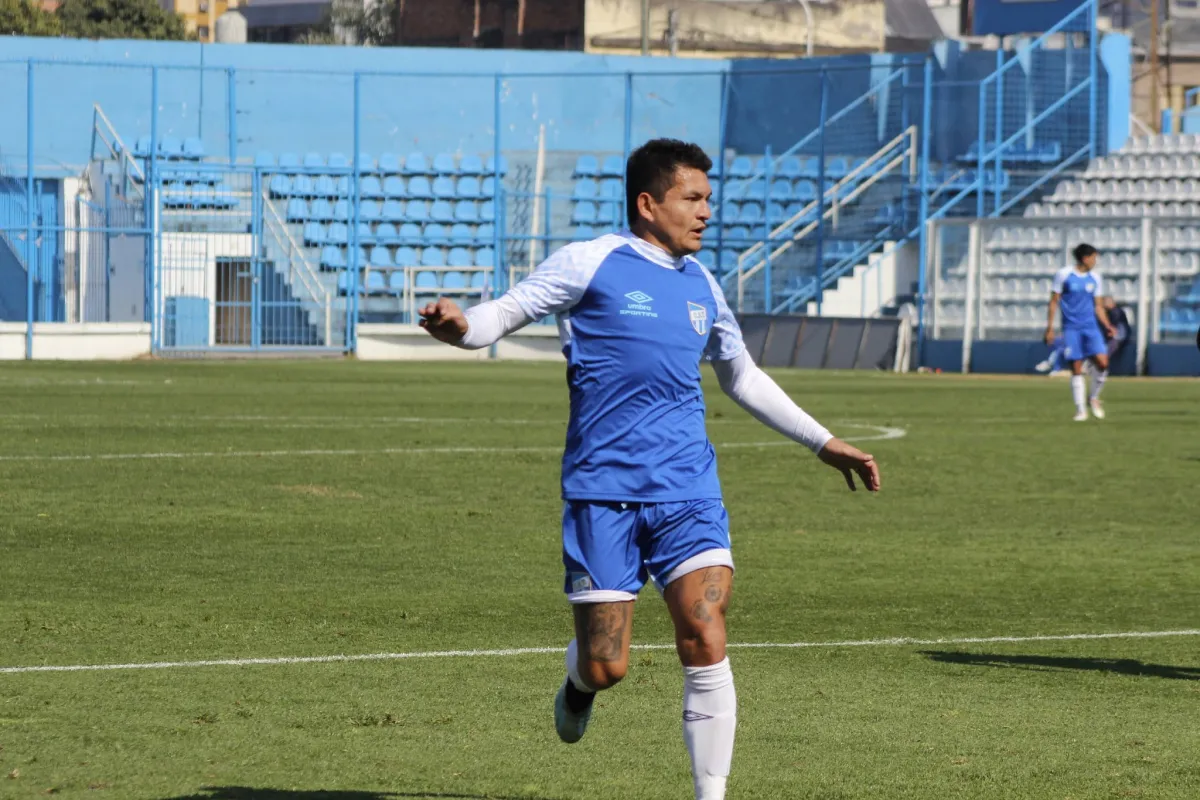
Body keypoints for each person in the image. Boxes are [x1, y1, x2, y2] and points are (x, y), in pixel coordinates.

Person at [418, 138, 880, 800]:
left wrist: (822, 441)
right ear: (647, 203)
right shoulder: (591, 262)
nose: (705, 213)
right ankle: (581, 685)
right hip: (603, 493)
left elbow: (740, 375)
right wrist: (461, 325)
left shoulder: (703, 285)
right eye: (691, 199)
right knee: (608, 665)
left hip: (687, 489)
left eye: (708, 199)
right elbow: (505, 313)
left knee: (704, 630)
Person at [1044, 243, 1116, 421]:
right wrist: (1050, 328)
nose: (1095, 261)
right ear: (1085, 258)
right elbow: (1054, 301)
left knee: (1103, 363)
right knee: (1076, 367)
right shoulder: (1064, 275)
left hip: (1091, 327)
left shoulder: (1095, 278)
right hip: (1071, 328)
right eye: (1093, 257)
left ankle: (1093, 397)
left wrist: (1107, 325)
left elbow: (1098, 306)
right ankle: (1081, 410)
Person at [1035, 296, 1129, 375]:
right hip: (1092, 337)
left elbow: (1115, 331)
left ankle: (1086, 369)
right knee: (1062, 345)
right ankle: (1053, 364)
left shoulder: (1115, 312)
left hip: (1109, 339)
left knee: (1098, 353)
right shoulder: (1097, 314)